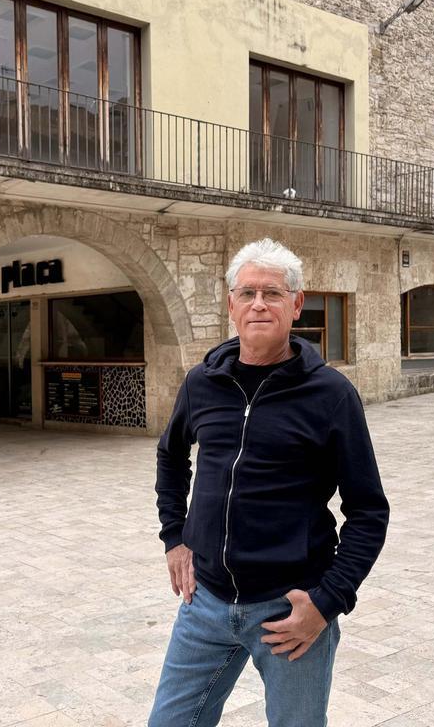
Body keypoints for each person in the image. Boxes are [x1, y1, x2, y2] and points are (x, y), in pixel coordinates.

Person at [148, 238, 389, 727]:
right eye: (248, 293)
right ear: (231, 305)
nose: (259, 304)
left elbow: (368, 511)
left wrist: (327, 602)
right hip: (205, 602)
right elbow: (171, 455)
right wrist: (174, 536)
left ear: (296, 305)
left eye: (273, 293)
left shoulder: (331, 394)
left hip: (291, 611)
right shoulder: (201, 383)